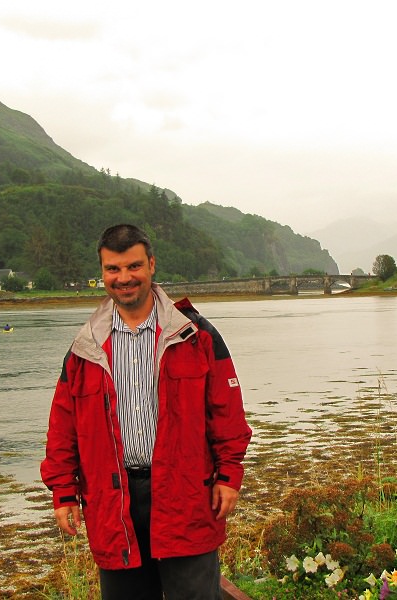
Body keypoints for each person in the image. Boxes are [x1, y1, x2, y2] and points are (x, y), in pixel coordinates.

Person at [40, 224, 252, 600]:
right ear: (102, 273)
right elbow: (63, 425)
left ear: (151, 265)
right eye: (113, 269)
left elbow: (227, 413)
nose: (124, 278)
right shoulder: (85, 346)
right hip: (113, 500)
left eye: (133, 266)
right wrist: (64, 491)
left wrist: (229, 475)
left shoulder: (196, 335)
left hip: (186, 492)